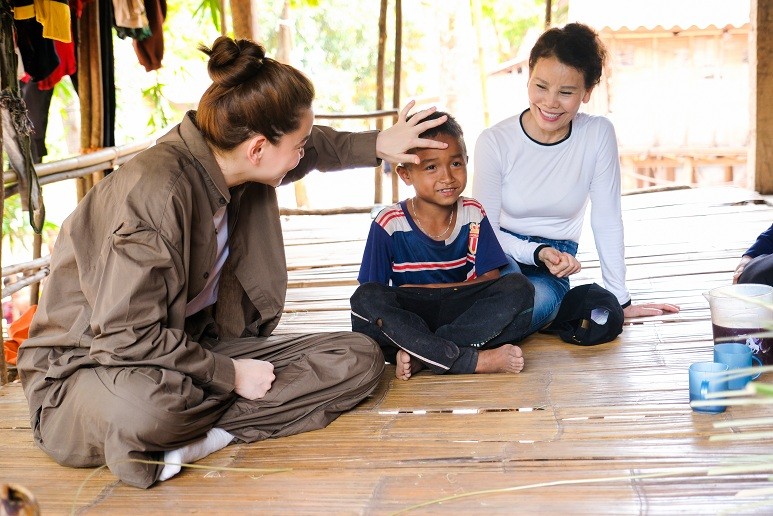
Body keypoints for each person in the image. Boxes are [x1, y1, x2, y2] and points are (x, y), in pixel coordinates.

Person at [16, 36, 450, 489]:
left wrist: (381, 142)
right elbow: (127, 337)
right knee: (152, 409)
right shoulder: (156, 195)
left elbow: (316, 146)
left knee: (357, 357)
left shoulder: (236, 161)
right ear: (259, 148)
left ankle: (206, 438)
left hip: (188, 349)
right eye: (296, 145)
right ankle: (179, 425)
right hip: (91, 368)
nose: (303, 153)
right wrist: (231, 374)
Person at [472, 22, 679, 336]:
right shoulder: (495, 141)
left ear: (587, 93)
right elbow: (484, 231)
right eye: (540, 86)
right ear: (528, 76)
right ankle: (448, 344)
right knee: (495, 299)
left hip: (551, 271)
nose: (551, 102)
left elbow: (607, 218)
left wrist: (619, 301)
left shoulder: (596, 134)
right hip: (496, 257)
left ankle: (436, 344)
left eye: (566, 92)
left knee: (530, 307)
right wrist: (536, 251)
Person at [350, 111, 535, 380]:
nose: (447, 176)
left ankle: (425, 355)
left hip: (462, 308)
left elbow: (490, 277)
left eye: (456, 163)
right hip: (411, 313)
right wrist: (416, 294)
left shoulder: (473, 213)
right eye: (431, 167)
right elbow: (373, 290)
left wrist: (436, 290)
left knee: (519, 287)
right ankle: (470, 360)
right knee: (365, 300)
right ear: (405, 174)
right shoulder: (388, 223)